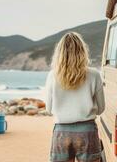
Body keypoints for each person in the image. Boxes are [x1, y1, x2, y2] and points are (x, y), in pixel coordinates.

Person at [45, 32, 105, 162]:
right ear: (82, 51)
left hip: (61, 132)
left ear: (59, 53)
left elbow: (48, 109)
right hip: (87, 131)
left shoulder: (52, 76)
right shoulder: (94, 75)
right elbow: (101, 109)